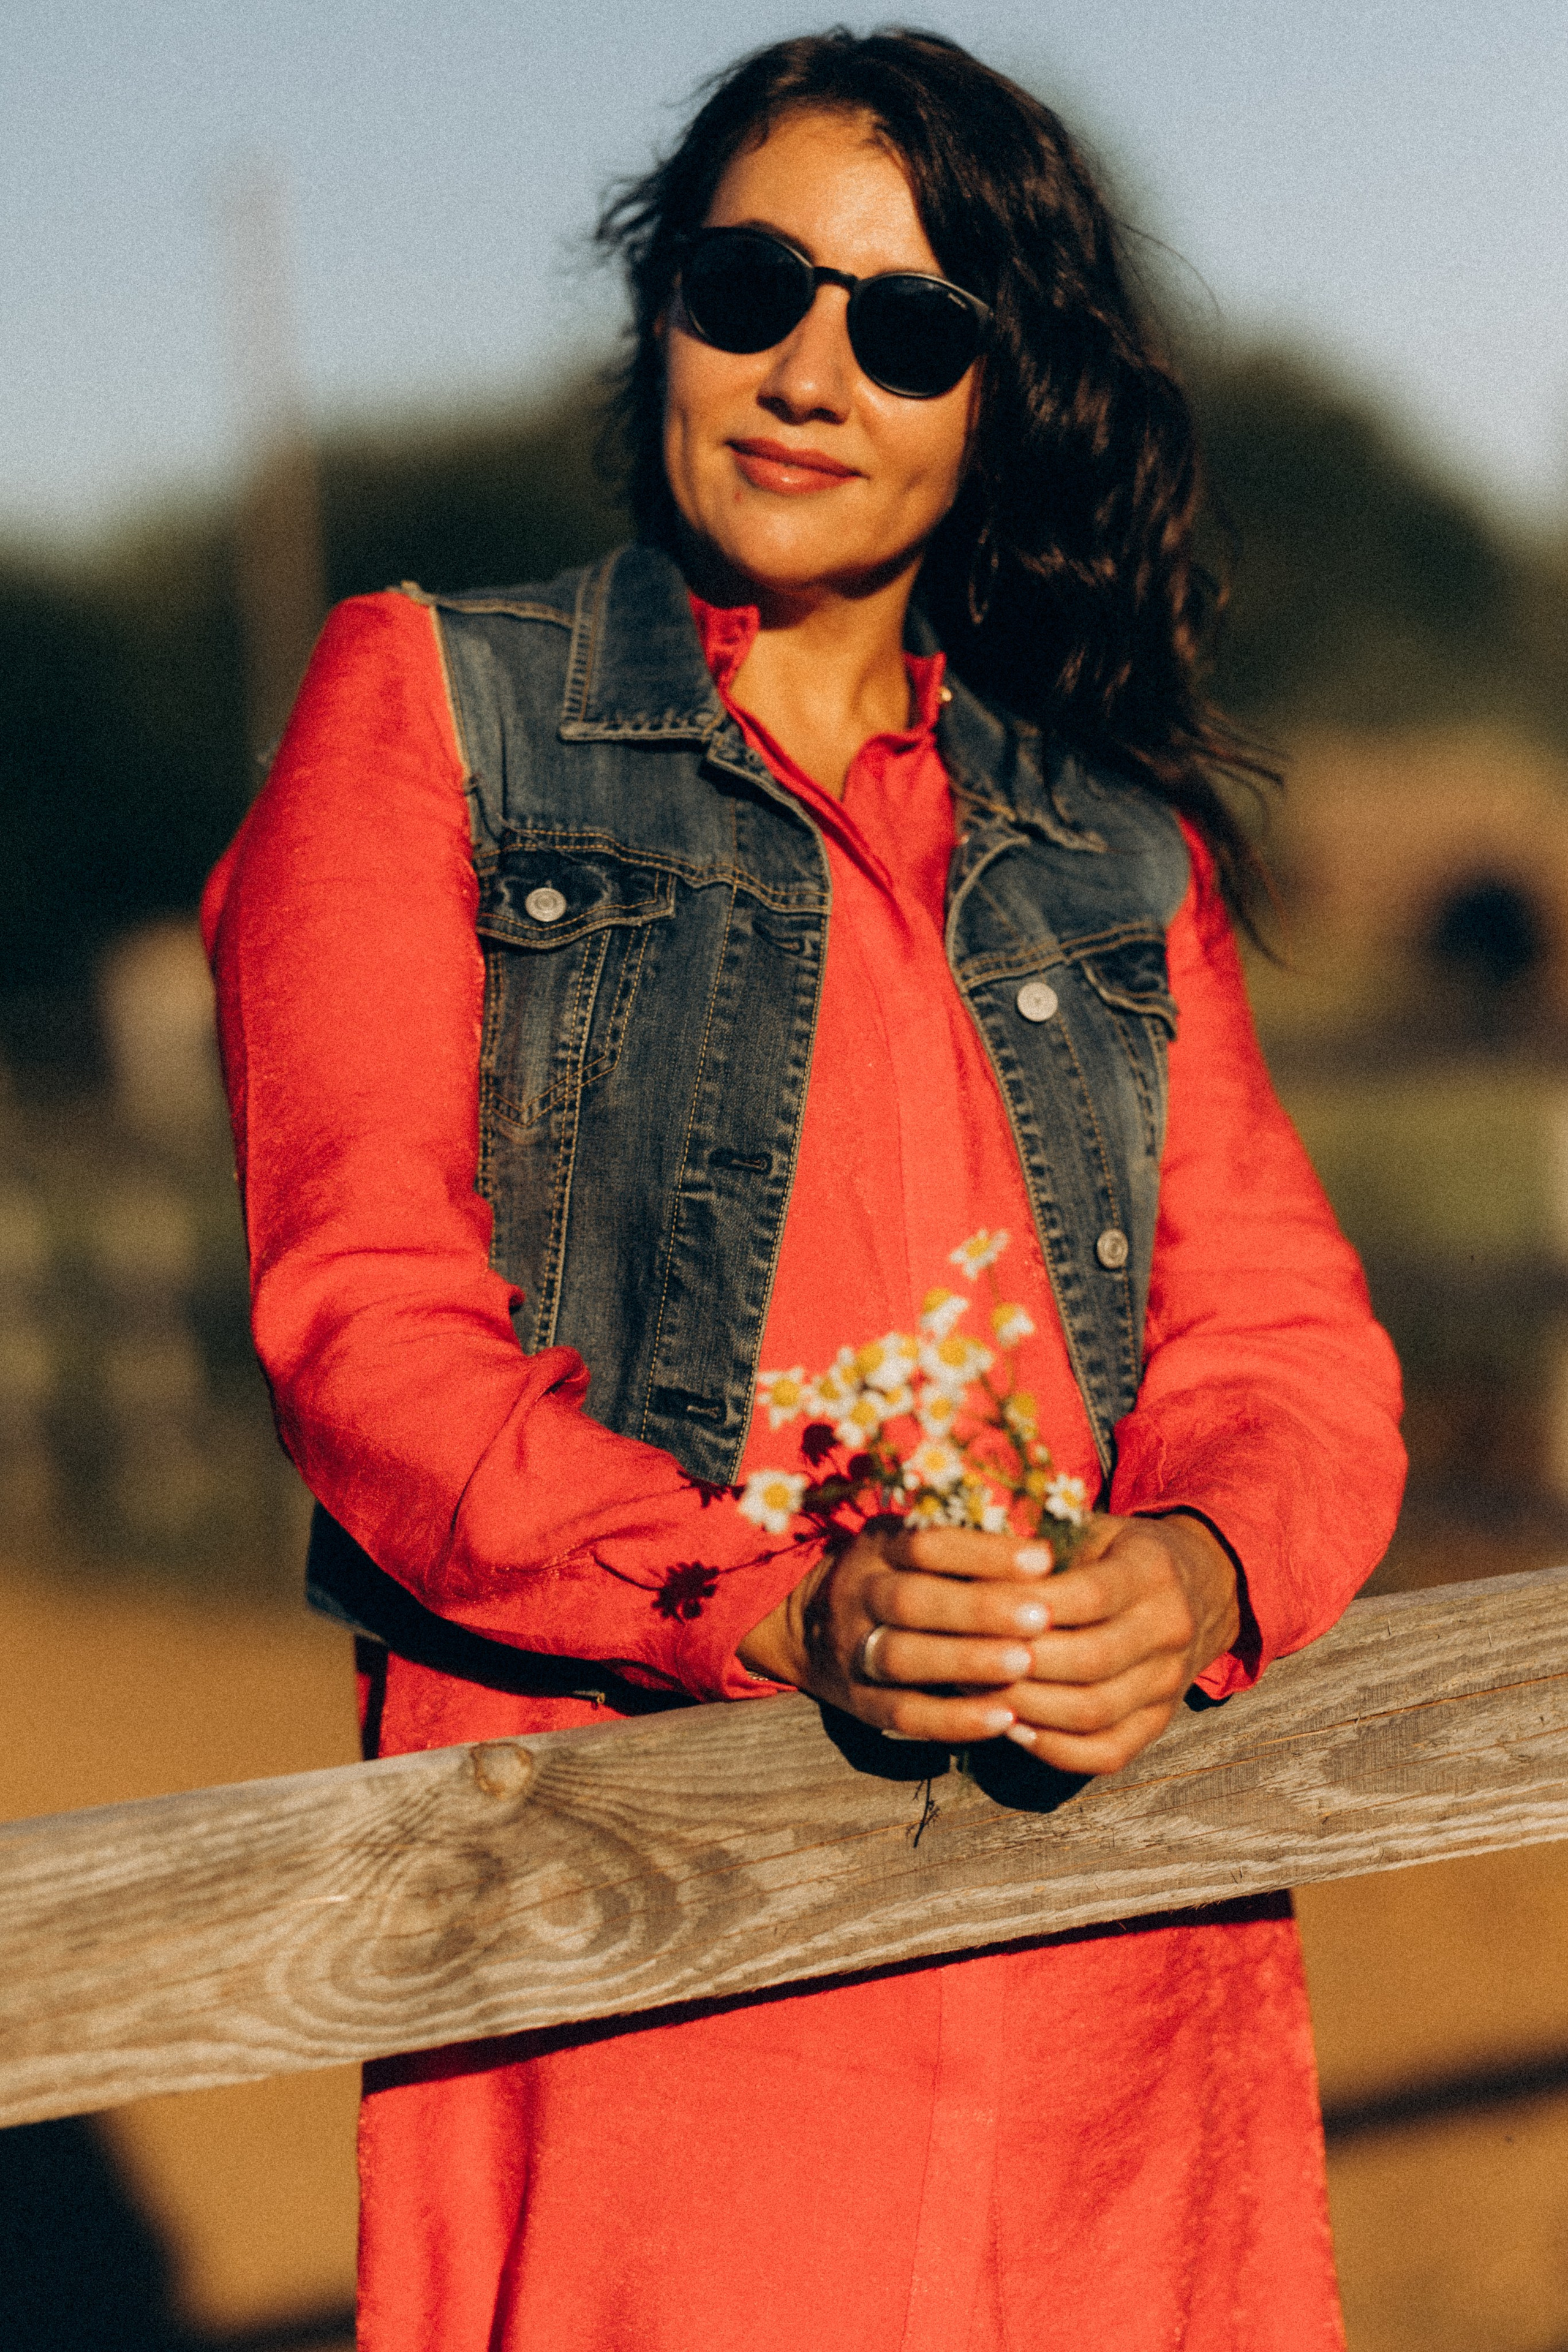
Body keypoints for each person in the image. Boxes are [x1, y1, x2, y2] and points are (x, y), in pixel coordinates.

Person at [203, 29, 1404, 2351]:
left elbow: (1291, 1347)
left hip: (1107, 1966)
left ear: (999, 397)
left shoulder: (1107, 842)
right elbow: (361, 1319)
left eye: (914, 320)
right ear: (664, 303)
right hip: (648, 1920)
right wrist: (764, 1613)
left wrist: (1195, 1566)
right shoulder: (438, 712)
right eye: (754, 286)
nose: (811, 370)